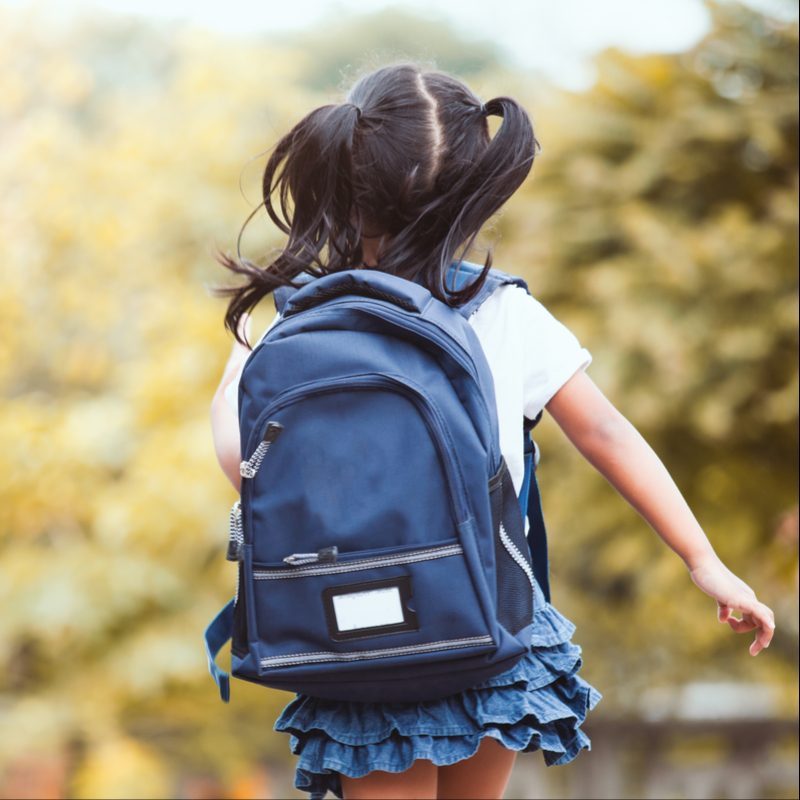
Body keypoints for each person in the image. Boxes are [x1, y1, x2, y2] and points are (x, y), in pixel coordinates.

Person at [209, 64, 775, 800]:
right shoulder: (502, 313)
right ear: (471, 196)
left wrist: (239, 367)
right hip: (486, 616)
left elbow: (241, 465)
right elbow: (605, 433)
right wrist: (702, 559)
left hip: (350, 630)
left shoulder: (290, 322)